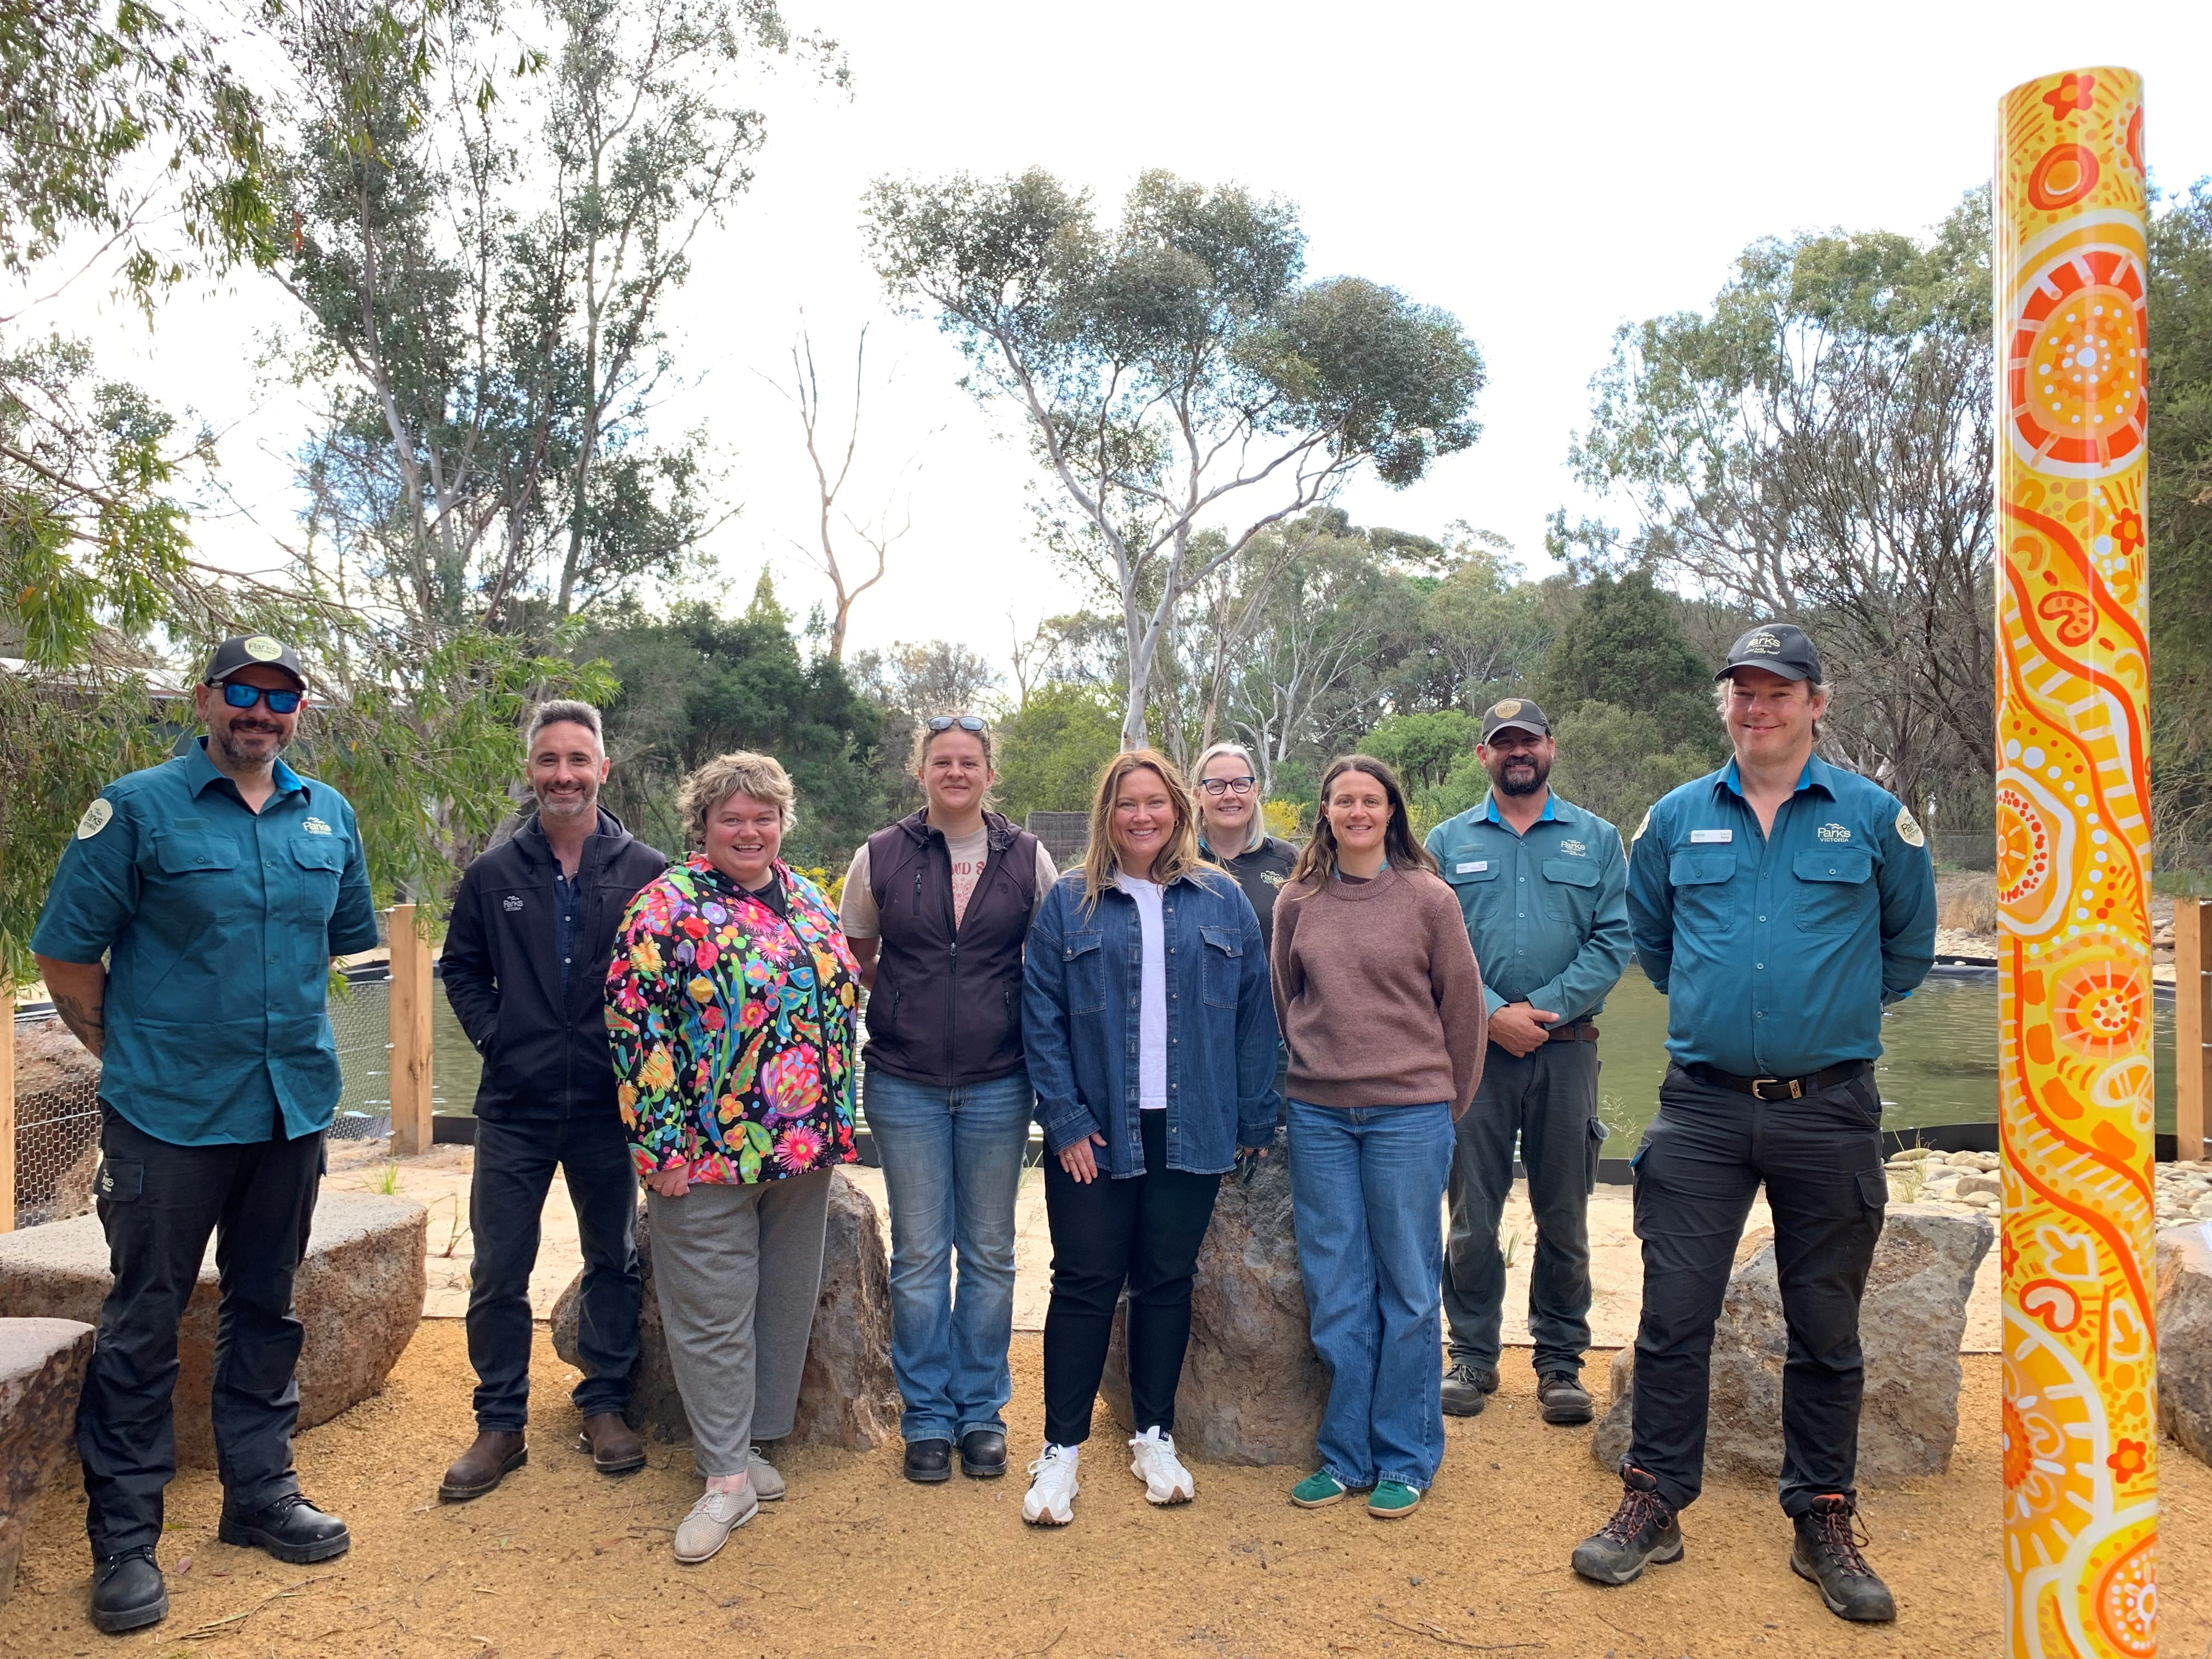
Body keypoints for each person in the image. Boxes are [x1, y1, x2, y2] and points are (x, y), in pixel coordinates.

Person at [1568, 624, 1935, 1624]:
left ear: (1817, 701)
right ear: (1724, 703)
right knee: (1673, 1311)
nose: (1756, 707)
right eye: (1741, 691)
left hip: (1830, 1108)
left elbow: (1907, 950)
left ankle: (1820, 1513)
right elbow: (1653, 937)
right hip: (1701, 1105)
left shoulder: (1873, 818)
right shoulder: (1677, 819)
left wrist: (1829, 1016)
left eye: (1777, 692)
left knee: (1825, 1326)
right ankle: (1656, 1496)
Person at [30, 635, 380, 1634]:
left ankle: (258, 1493)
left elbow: (340, 944)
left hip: (289, 1109)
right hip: (167, 1115)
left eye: (278, 696)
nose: (258, 711)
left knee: (267, 1305)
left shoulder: (330, 816)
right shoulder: (136, 807)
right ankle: (126, 1539)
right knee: (145, 1317)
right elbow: (66, 952)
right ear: (207, 698)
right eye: (242, 692)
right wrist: (128, 1051)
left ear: (298, 711)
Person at [604, 751, 862, 1565]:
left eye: (763, 817)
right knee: (712, 1311)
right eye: (732, 819)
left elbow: (838, 1002)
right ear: (703, 827)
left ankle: (750, 1444)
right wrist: (659, 1147)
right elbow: (634, 1028)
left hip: (800, 1150)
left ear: (783, 822)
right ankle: (723, 1482)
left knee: (781, 1302)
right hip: (704, 1153)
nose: (749, 831)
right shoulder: (666, 908)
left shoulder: (807, 899)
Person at [1018, 749, 1279, 1526]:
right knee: (1085, 1283)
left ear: (1179, 811)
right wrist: (1063, 1118)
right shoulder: (1069, 905)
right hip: (1094, 1132)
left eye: (1155, 803)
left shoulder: (1224, 901)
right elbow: (1042, 1017)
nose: (1142, 817)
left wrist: (1253, 1115)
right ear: (1108, 815)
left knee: (1167, 1282)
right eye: (1127, 804)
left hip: (1194, 1125)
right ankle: (1061, 1450)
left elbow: (1255, 1017)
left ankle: (1153, 1435)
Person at [436, 701, 668, 1502]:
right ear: (531, 770)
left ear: (604, 768)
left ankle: (604, 1404)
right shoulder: (493, 875)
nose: (563, 775)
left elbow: (673, 983)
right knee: (500, 1266)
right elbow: (460, 969)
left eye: (578, 760)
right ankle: (499, 1422)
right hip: (516, 1105)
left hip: (612, 1107)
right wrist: (504, 1037)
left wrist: (646, 1069)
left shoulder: (650, 872)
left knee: (615, 1257)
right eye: (548, 761)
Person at [839, 715, 1058, 1484]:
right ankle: (927, 1414)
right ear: (921, 772)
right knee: (924, 1254)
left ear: (989, 774)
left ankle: (981, 1410)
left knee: (991, 1253)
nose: (956, 772)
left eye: (969, 762)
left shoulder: (1028, 859)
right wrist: (907, 1004)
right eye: (943, 762)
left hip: (1002, 1080)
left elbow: (1050, 957)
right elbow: (856, 953)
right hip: (905, 1082)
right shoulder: (882, 856)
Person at [1271, 756, 1487, 1520]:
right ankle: (1345, 1455)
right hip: (1321, 1116)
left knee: (1407, 1289)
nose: (1357, 812)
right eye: (1343, 801)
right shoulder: (1298, 902)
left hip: (1409, 1115)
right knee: (1336, 1290)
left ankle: (1405, 1455)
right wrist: (1315, 1076)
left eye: (1371, 800)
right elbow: (1285, 998)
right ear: (1324, 814)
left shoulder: (1430, 899)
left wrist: (1444, 1104)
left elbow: (1464, 1010)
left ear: (1391, 811)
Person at [1425, 699, 1630, 1427]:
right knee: (1472, 1216)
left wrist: (1542, 1009)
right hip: (1473, 1055)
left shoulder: (1597, 840)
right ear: (1484, 755)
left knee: (1565, 1213)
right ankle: (1472, 1355)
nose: (1518, 752)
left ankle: (1560, 1361)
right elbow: (1431, 945)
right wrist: (1489, 1014)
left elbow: (1614, 941)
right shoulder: (1445, 843)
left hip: (1566, 1051)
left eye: (1529, 741)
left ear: (1551, 747)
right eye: (1502, 743)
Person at [1190, 742, 1297, 961]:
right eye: (1217, 786)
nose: (1230, 795)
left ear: (1255, 791)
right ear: (1198, 795)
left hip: (1271, 995)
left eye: (1240, 784)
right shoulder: (1178, 864)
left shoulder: (1288, 860)